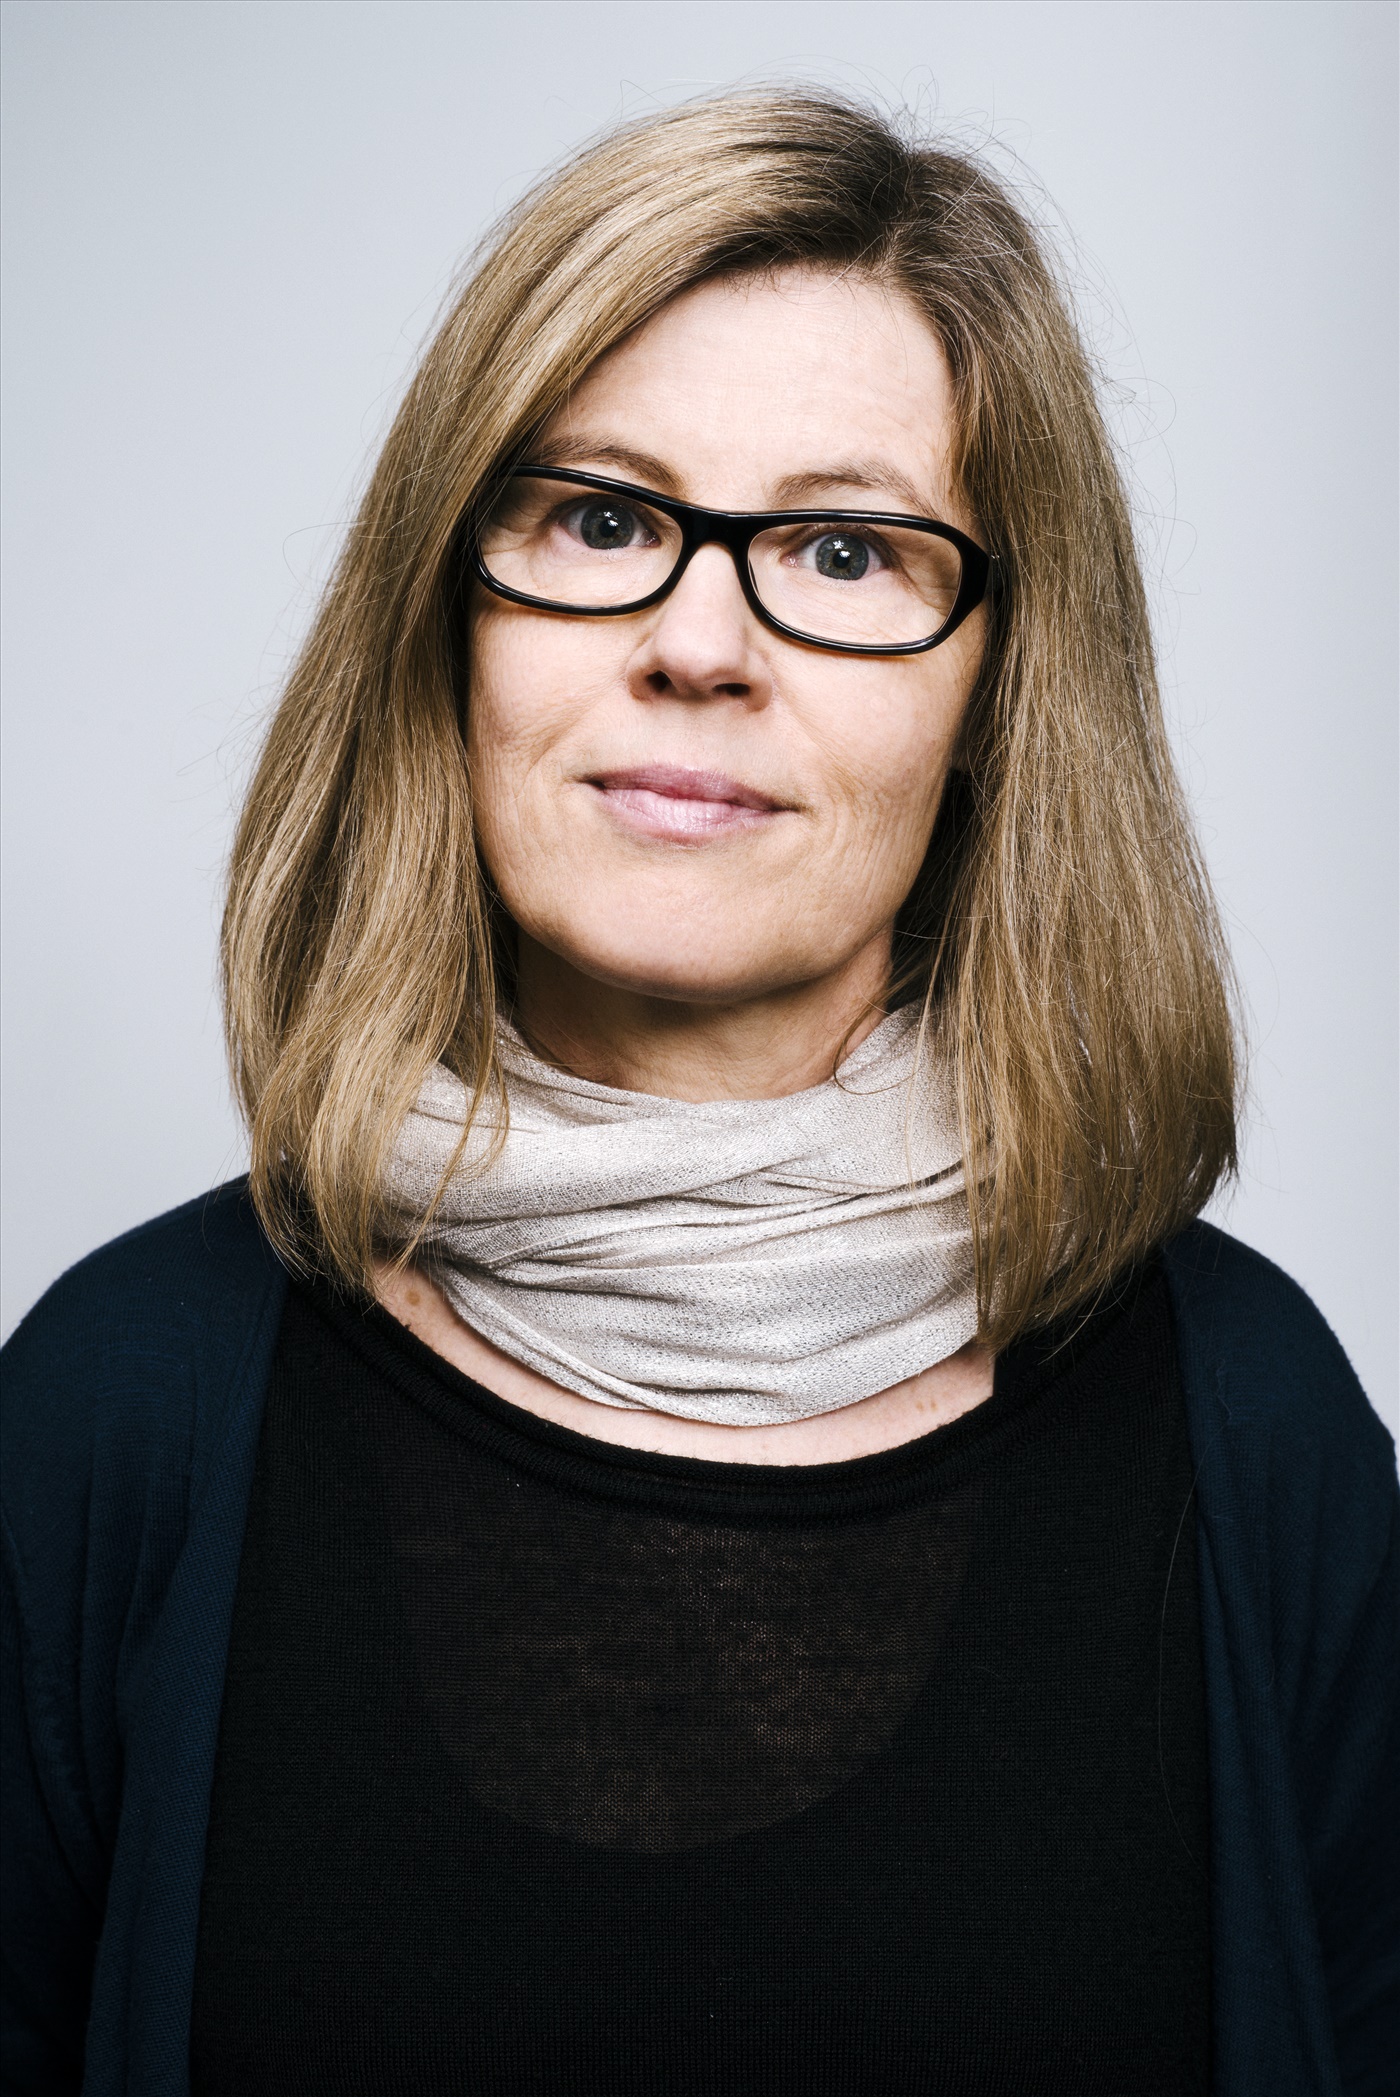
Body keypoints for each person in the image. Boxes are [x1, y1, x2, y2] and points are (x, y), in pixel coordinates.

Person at [2, 89, 1395, 2097]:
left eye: (844, 548)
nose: (698, 642)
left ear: (997, 690)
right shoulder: (114, 1407)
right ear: (447, 616)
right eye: (601, 517)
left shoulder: (1255, 1430)